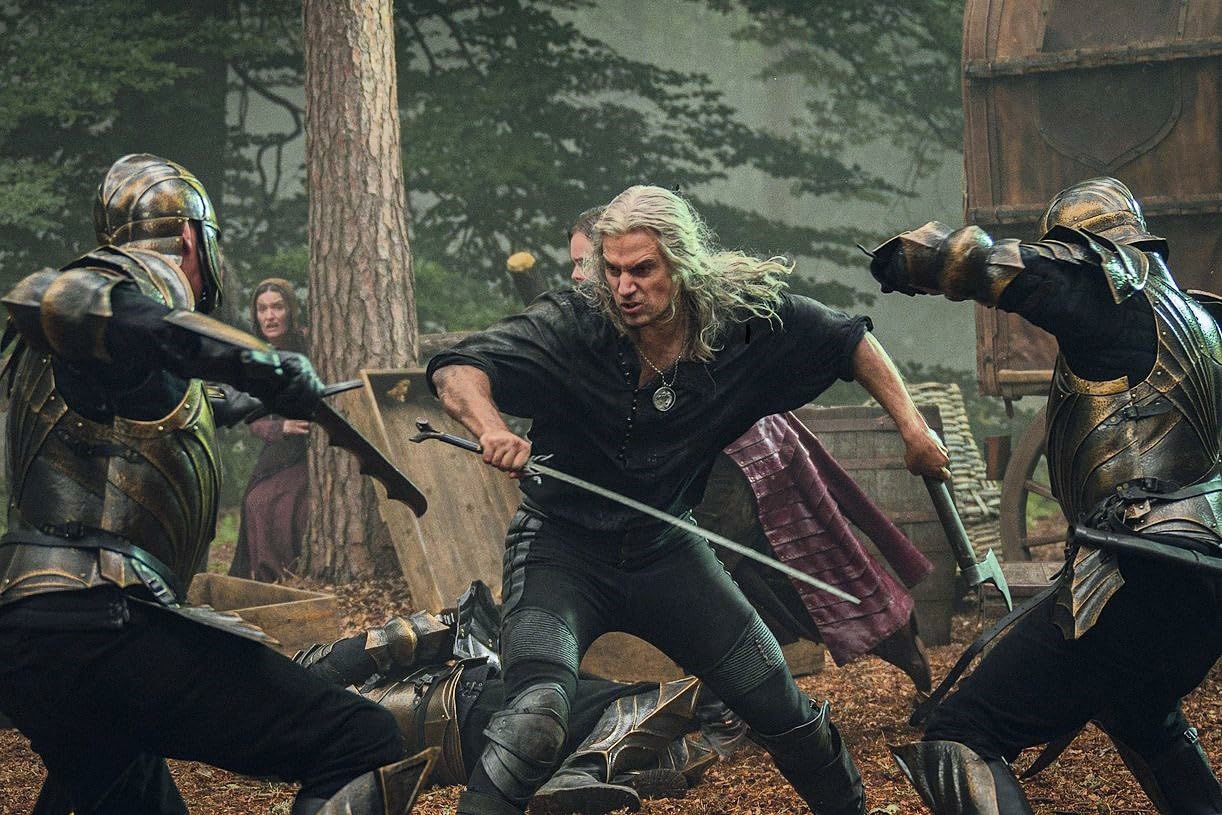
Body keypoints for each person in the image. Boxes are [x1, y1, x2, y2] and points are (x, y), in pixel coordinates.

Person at [427, 184, 950, 815]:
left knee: (780, 705)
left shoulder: (742, 319)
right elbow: (458, 369)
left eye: (643, 270)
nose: (625, 287)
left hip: (667, 550)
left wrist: (913, 429)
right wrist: (490, 428)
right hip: (560, 549)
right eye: (613, 270)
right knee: (535, 717)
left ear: (682, 265)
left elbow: (848, 340)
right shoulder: (575, 320)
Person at [0, 154, 420, 815]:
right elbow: (82, 305)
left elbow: (139, 413)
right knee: (362, 741)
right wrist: (257, 364)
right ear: (192, 237)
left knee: (111, 788)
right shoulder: (93, 299)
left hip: (43, 630)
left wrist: (238, 398)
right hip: (104, 624)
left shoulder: (107, 353)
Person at [871, 176, 1222, 814]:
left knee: (960, 736)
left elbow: (1005, 266)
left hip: (1141, 574)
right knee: (1142, 713)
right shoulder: (1205, 324)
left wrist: (921, 258)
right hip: (1202, 577)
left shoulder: (1115, 295)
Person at [569, 207, 935, 693]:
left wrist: (914, 429)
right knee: (769, 580)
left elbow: (845, 338)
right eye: (586, 267)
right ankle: (880, 640)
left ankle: (727, 705)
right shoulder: (594, 322)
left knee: (708, 571)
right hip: (682, 468)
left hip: (742, 459)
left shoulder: (726, 309)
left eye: (586, 263)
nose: (581, 277)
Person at [294, 581, 740, 815]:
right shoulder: (310, 683)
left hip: (475, 756)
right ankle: (584, 771)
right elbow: (404, 636)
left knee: (651, 742)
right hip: (469, 710)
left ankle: (604, 770)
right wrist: (455, 625)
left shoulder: (310, 747)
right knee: (636, 700)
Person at [229, 278, 312, 582]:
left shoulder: (310, 344)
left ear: (291, 310)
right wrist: (281, 427)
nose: (270, 316)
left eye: (277, 307)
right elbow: (251, 416)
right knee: (257, 501)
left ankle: (293, 573)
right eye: (262, 309)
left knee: (294, 503)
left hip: (315, 449)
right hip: (281, 451)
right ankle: (271, 578)